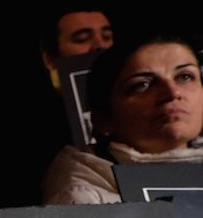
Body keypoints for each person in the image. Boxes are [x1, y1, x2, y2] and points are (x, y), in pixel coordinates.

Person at [42, 31, 203, 205]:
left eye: (185, 76)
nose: (173, 92)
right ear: (103, 119)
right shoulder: (83, 199)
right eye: (142, 85)